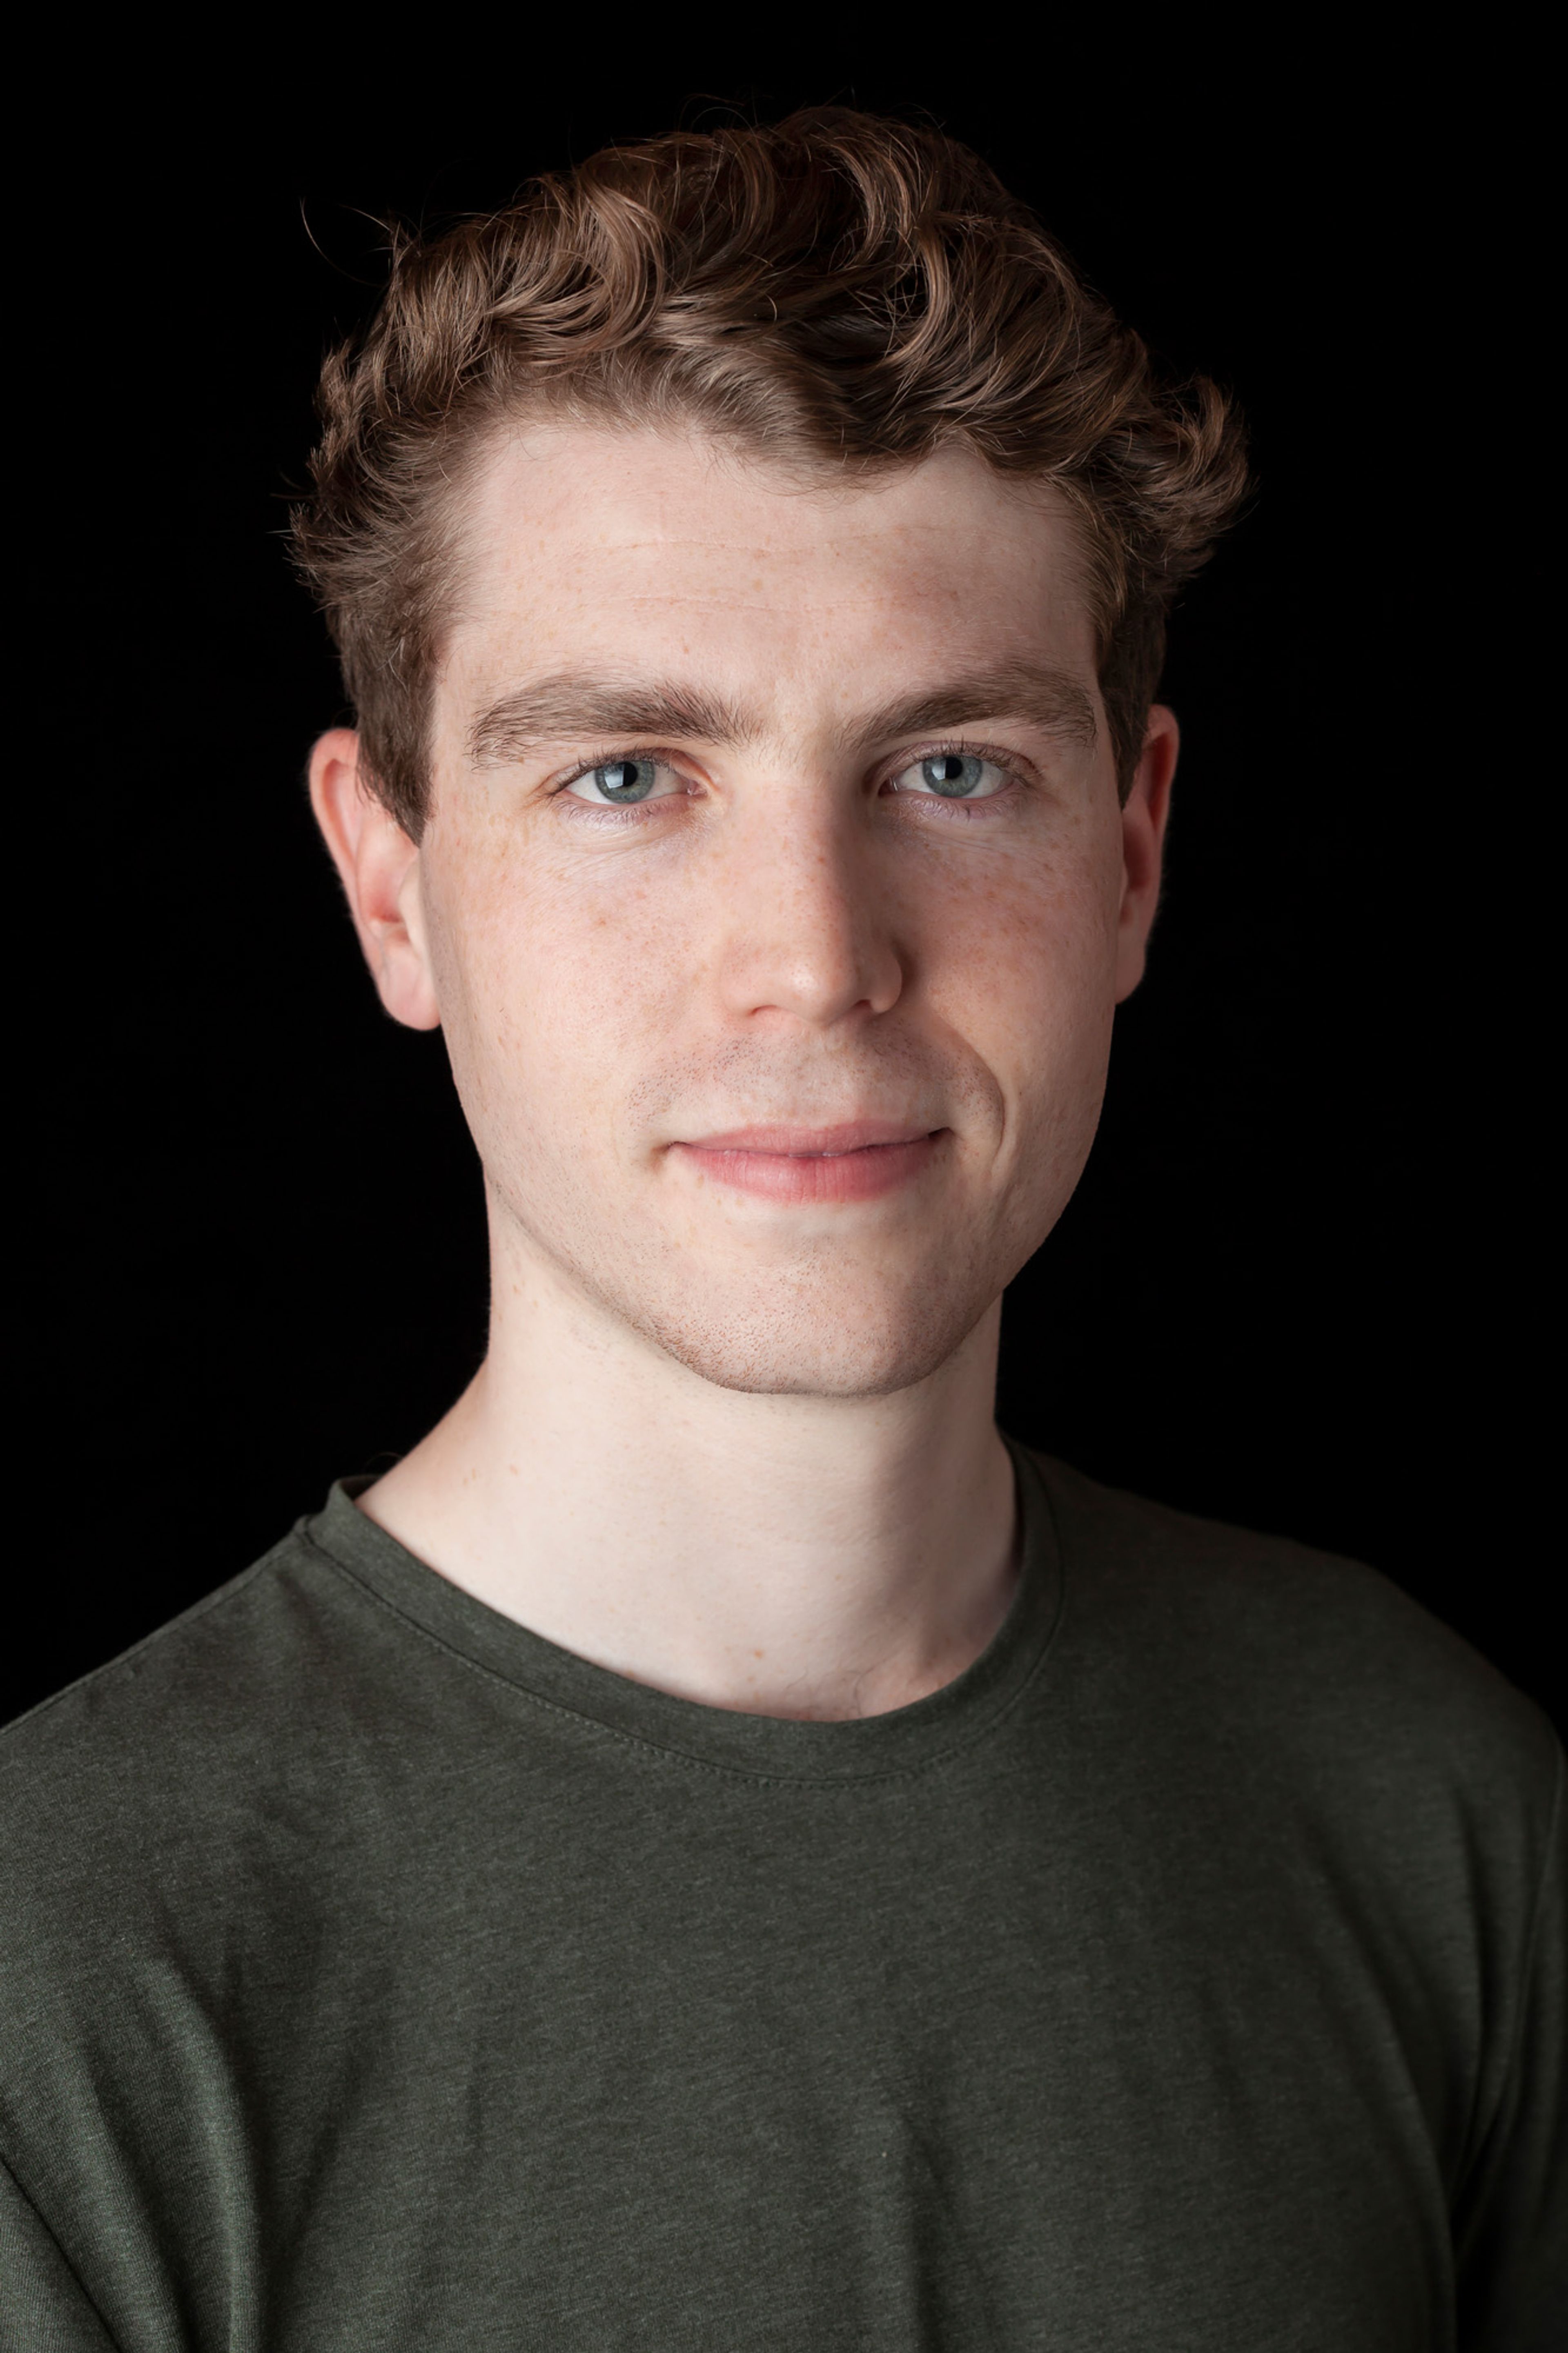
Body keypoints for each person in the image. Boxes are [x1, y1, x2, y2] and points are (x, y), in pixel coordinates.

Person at [2, 110, 1561, 2352]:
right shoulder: (66, 1972)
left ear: (1132, 856)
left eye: (951, 770)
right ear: (390, 882)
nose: (818, 961)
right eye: (628, 774)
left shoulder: (1436, 1804)